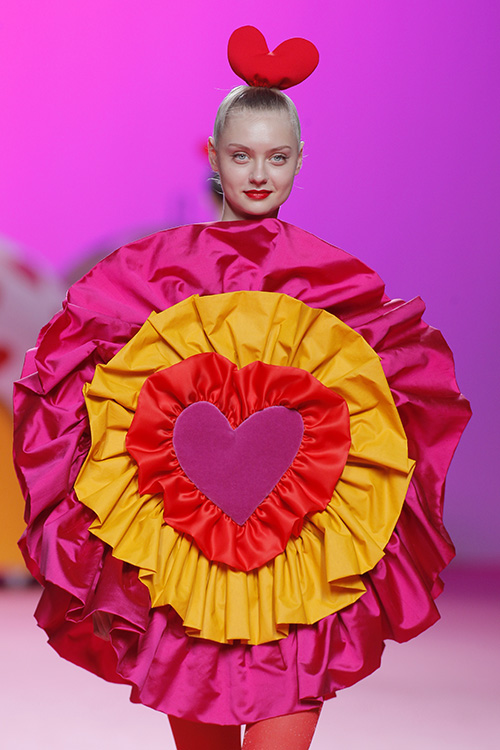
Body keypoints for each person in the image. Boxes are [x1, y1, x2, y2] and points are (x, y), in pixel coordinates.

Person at [13, 27, 471, 750]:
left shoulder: (331, 281)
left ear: (299, 163)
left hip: (299, 579)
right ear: (215, 160)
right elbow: (71, 380)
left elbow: (397, 411)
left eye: (277, 156)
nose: (259, 174)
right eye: (242, 155)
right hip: (182, 578)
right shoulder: (153, 273)